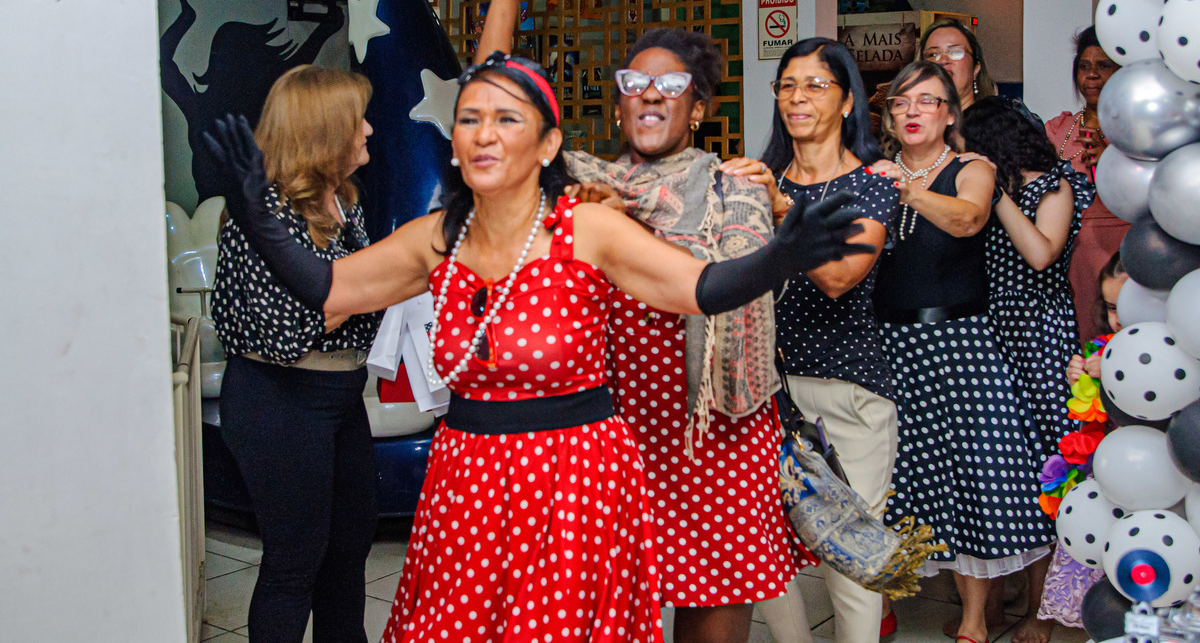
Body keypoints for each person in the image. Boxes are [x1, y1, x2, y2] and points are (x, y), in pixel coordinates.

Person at [205, 48, 871, 641]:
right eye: (469, 119)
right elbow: (327, 287)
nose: (484, 133)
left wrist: (779, 256)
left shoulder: (587, 228)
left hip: (572, 484)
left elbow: (699, 287)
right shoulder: (438, 236)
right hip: (466, 484)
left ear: (549, 143)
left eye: (507, 119)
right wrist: (259, 214)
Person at [477, 0, 815, 643]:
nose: (651, 92)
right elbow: (494, 114)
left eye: (672, 83)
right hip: (611, 446)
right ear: (619, 105)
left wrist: (777, 212)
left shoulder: (734, 188)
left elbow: (732, 277)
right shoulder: (583, 184)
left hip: (719, 443)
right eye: (634, 81)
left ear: (698, 109)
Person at [721, 37, 900, 643]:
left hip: (847, 392)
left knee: (849, 562)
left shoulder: (870, 186)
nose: (798, 97)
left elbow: (840, 278)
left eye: (816, 85)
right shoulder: (756, 179)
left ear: (847, 101)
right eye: (788, 85)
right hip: (762, 393)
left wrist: (780, 208)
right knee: (762, 558)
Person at [871, 61, 1056, 643]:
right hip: (889, 345)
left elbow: (970, 218)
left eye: (927, 101)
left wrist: (904, 190)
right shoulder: (871, 170)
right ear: (889, 116)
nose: (913, 111)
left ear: (949, 114)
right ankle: (881, 605)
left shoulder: (971, 167)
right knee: (898, 478)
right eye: (902, 102)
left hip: (959, 345)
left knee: (974, 478)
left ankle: (975, 620)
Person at [210, 65, 382, 643]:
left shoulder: (345, 204)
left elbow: (346, 305)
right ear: (324, 131)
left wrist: (359, 292)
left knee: (348, 550)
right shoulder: (261, 215)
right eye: (357, 119)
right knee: (295, 560)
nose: (369, 129)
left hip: (341, 395)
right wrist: (368, 289)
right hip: (278, 400)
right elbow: (290, 331)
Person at [961, 102, 1096, 643]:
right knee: (1006, 473)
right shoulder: (988, 191)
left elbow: (1041, 254)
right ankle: (994, 604)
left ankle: (1043, 611)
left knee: (1046, 472)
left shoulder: (1054, 187)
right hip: (994, 336)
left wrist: (997, 195)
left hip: (1039, 340)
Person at [1039, 252, 1128, 630]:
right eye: (1110, 307)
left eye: (1125, 306)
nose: (1118, 319)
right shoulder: (1102, 346)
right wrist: (1082, 380)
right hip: (1107, 476)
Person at [1043, 26, 1125, 342]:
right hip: (1067, 253)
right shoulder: (1057, 129)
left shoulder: (1133, 130)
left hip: (1119, 251)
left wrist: (1111, 162)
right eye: (1084, 66)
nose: (1091, 75)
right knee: (1077, 341)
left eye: (1103, 66)